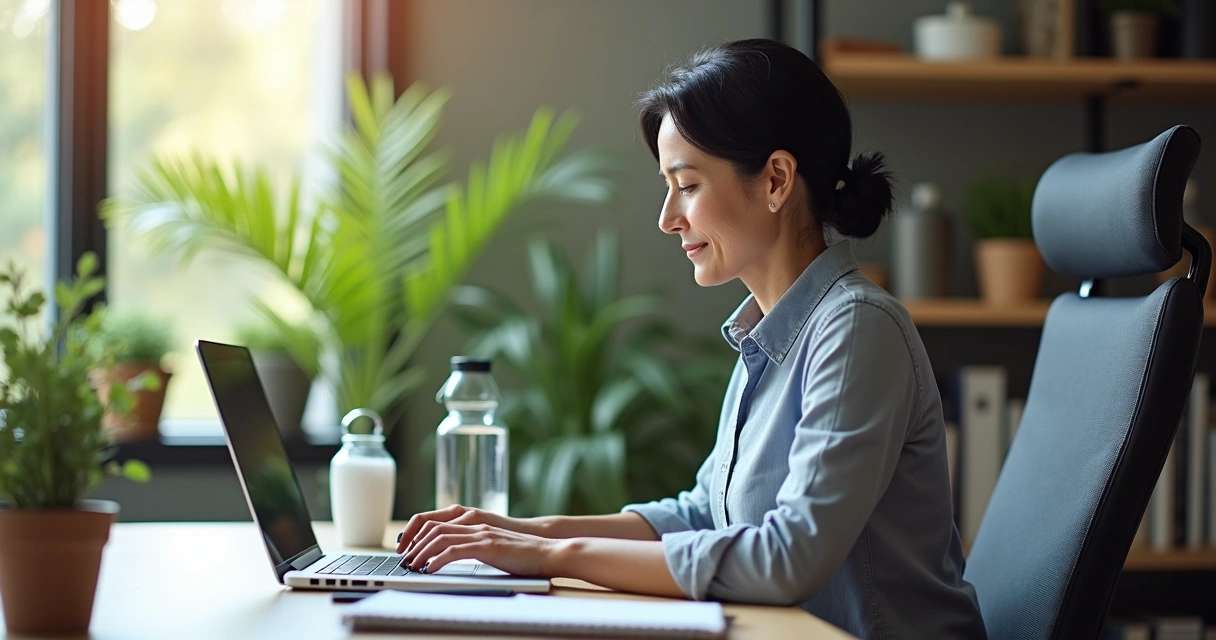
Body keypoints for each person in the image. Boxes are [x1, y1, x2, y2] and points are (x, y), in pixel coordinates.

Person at [394, 38, 987, 639]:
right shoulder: (766, 329)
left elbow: (789, 559)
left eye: (688, 184)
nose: (667, 217)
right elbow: (704, 514)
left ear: (777, 180)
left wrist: (554, 557)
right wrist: (521, 531)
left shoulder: (857, 327)